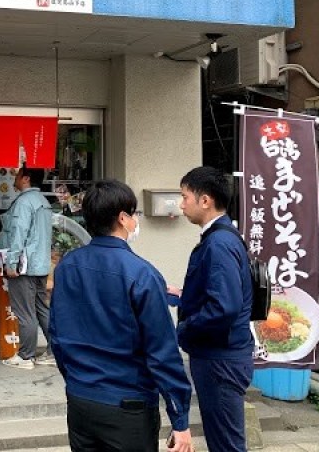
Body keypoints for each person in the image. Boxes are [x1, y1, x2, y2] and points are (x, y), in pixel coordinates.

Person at [50, 179, 193, 452]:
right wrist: (180, 419)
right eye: (134, 214)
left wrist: (76, 380)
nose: (136, 220)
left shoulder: (68, 265)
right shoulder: (141, 273)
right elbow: (162, 352)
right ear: (123, 218)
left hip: (81, 399)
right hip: (128, 405)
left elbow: (57, 334)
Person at [172, 166, 254, 452]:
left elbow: (225, 307)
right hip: (223, 354)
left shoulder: (218, 243)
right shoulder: (222, 237)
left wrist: (185, 328)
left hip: (220, 359)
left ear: (205, 200)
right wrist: (184, 297)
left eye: (185, 197)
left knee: (226, 445)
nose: (181, 205)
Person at [0, 165, 55, 369]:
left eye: (18, 174)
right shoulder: (44, 202)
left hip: (24, 265)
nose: (14, 177)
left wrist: (11, 262)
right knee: (41, 308)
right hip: (40, 264)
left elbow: (18, 234)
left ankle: (25, 355)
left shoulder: (24, 202)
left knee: (24, 311)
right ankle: (53, 352)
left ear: (26, 179)